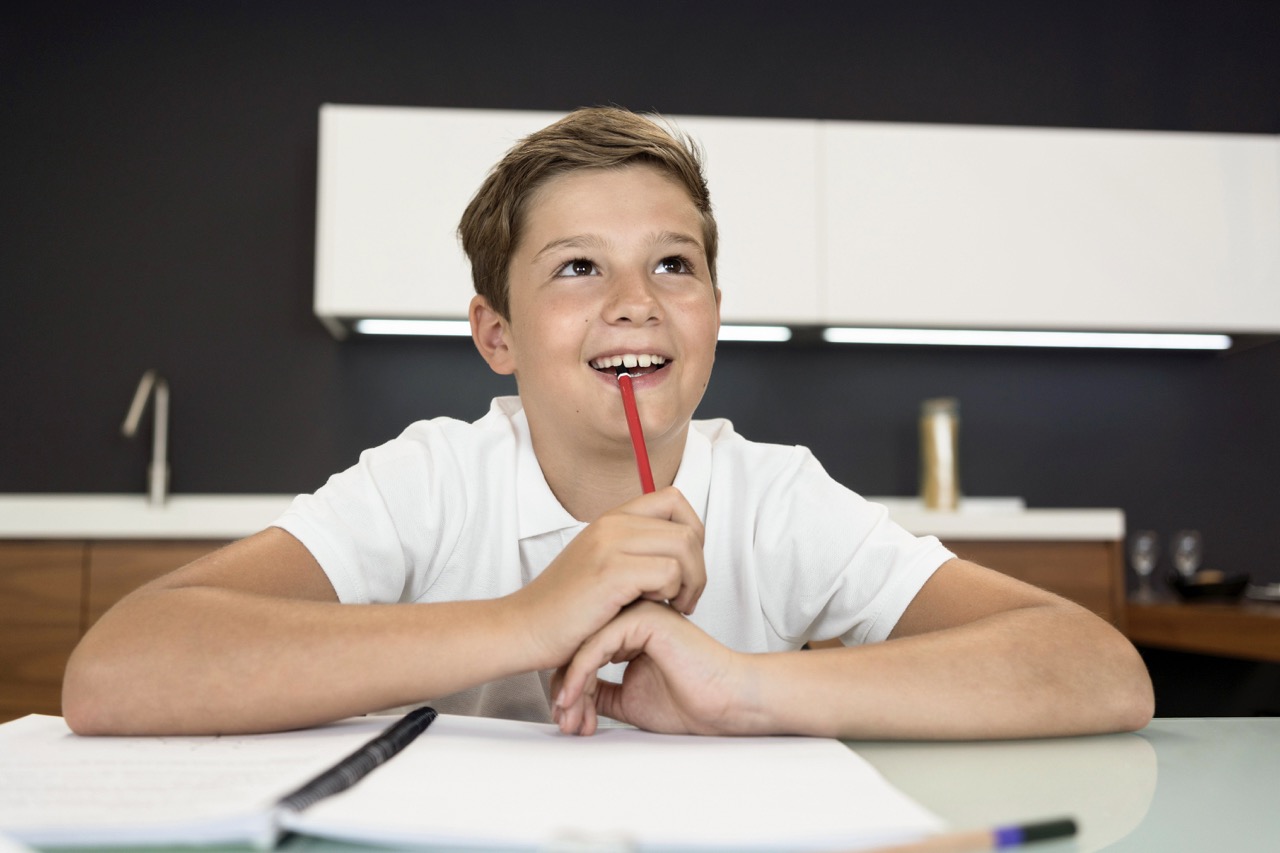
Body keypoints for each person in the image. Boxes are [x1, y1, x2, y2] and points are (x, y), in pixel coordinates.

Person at [63, 107, 1154, 739]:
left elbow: (1096, 670)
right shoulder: (431, 480)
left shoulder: (776, 498)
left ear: (713, 317)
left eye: (672, 265)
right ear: (496, 334)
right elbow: (118, 671)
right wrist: (529, 618)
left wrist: (744, 686)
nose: (634, 300)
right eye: (577, 267)